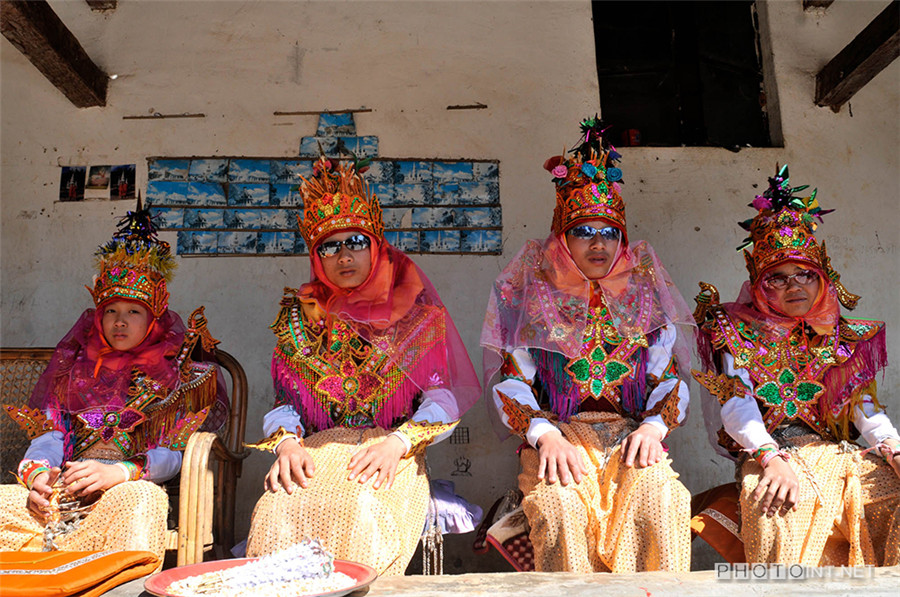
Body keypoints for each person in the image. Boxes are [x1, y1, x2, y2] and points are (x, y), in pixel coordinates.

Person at [245, 156, 481, 576]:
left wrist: (397, 444)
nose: (344, 255)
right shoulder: (301, 317)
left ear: (376, 247)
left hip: (390, 452)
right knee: (276, 509)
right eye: (329, 246)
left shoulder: (416, 314)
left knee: (359, 508)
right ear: (317, 258)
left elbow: (442, 400)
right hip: (316, 453)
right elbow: (284, 403)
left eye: (355, 241)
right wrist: (287, 444)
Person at [480, 117, 695, 573]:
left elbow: (667, 380)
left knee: (662, 501)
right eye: (583, 231)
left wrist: (654, 428)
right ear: (562, 239)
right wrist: (546, 436)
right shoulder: (530, 299)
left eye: (608, 232)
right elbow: (512, 384)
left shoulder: (646, 301)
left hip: (630, 437)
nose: (598, 243)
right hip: (560, 436)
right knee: (560, 511)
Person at [692, 165, 900, 566]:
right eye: (778, 278)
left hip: (837, 454)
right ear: (758, 283)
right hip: (770, 452)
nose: (794, 286)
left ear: (823, 278)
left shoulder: (844, 338)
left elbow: (864, 410)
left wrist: (892, 449)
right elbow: (738, 408)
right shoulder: (736, 331)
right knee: (775, 511)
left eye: (805, 274)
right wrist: (770, 458)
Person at [0, 200, 227, 562]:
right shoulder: (74, 369)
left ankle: (114, 580)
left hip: (130, 485)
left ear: (154, 319)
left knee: (140, 501)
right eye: (111, 312)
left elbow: (175, 455)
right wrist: (38, 476)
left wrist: (120, 472)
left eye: (133, 312)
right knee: (3, 503)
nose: (120, 322)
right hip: (71, 484)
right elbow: (50, 437)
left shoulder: (178, 374)